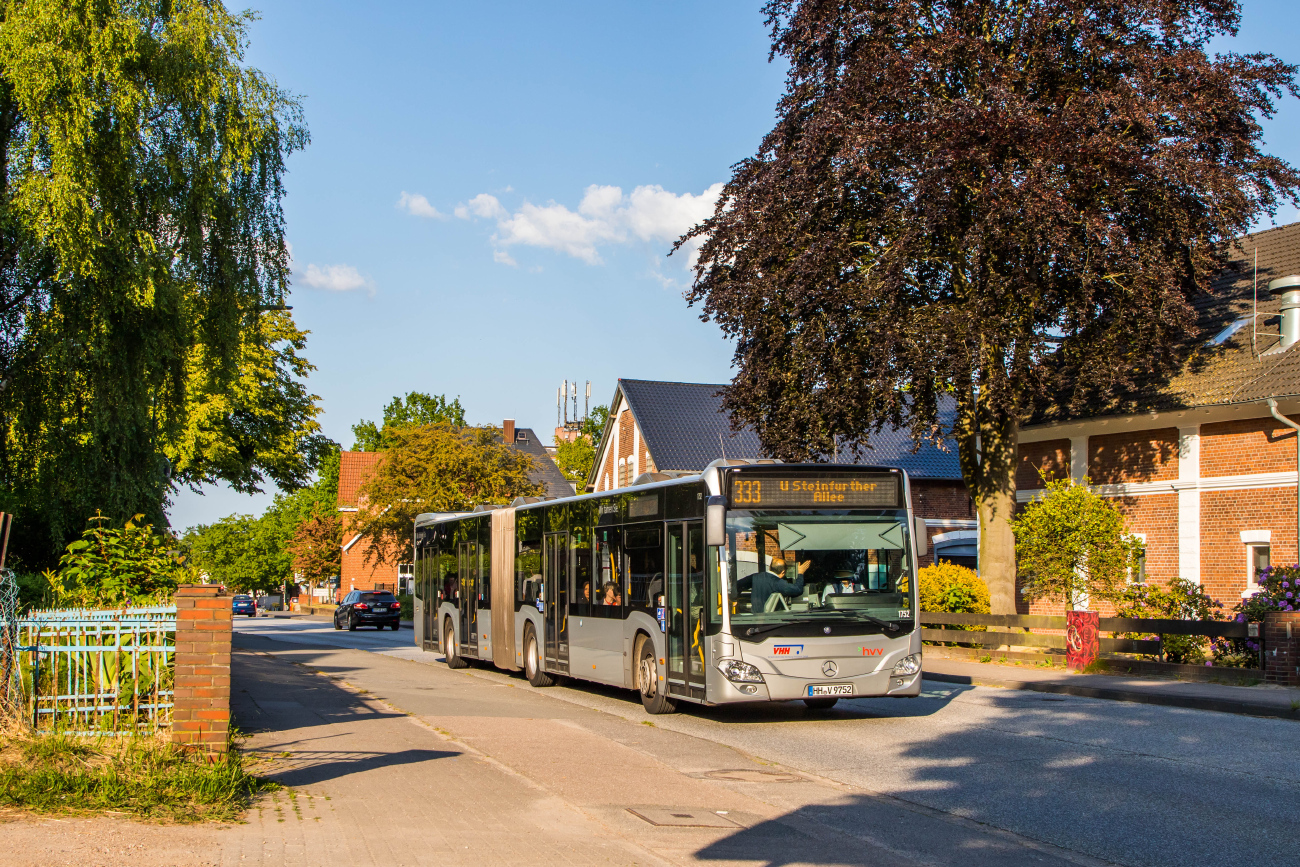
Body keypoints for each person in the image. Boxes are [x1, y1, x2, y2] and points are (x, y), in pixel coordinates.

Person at [737, 558, 812, 612]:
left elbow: (738, 584)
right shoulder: (778, 582)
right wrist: (800, 573)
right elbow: (798, 590)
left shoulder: (755, 577)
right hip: (772, 619)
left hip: (755, 617)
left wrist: (735, 598)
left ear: (770, 567)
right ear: (783, 572)